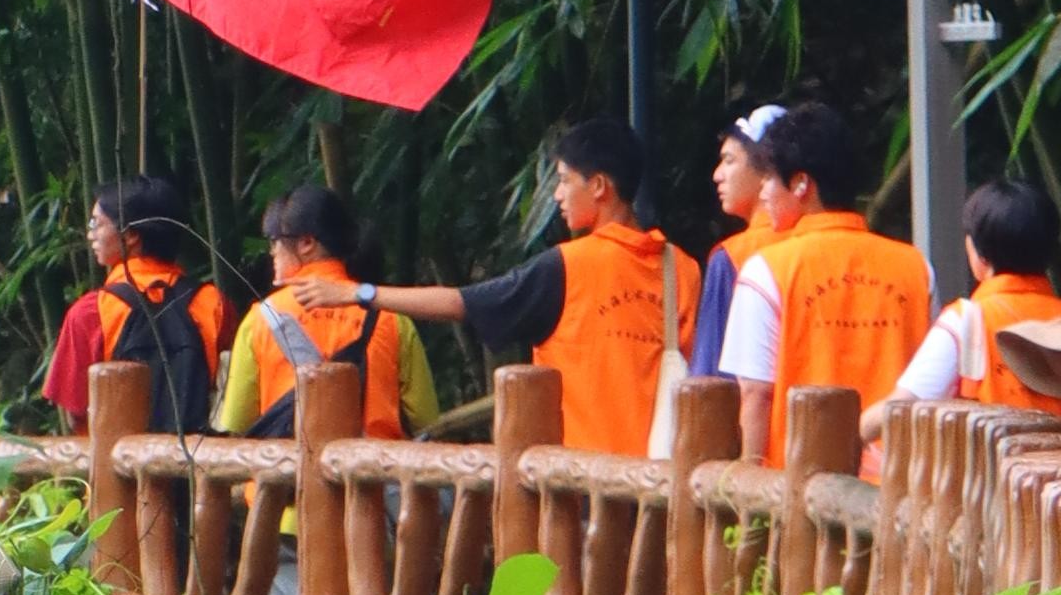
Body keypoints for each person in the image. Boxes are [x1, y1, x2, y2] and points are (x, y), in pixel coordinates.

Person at [291, 119, 690, 458]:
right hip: (661, 480)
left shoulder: (568, 266)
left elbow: (460, 302)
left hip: (582, 486)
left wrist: (359, 293)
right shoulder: (682, 268)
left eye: (564, 180)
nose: (556, 194)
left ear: (599, 186)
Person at [715, 102, 934, 461]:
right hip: (898, 478)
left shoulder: (766, 270)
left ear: (801, 184)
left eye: (769, 179)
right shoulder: (916, 267)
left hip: (799, 476)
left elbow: (756, 393)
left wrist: (746, 482)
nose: (764, 193)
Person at [214, 186, 436, 440]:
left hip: (285, 464)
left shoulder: (260, 320)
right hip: (372, 465)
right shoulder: (391, 319)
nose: (272, 251)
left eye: (275, 241)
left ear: (307, 243)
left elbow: (237, 422)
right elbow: (425, 418)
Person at [876, 177, 1061, 428]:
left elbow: (903, 406)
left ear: (979, 254)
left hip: (995, 453)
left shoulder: (966, 321)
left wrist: (859, 429)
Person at [38, 175, 230, 430]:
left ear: (130, 236)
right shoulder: (213, 302)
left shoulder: (91, 311)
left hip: (114, 452)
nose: (90, 234)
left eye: (96, 223)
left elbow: (75, 412)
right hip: (195, 452)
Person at [685, 105, 790, 382]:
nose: (717, 174)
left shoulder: (732, 257)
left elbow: (709, 378)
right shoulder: (829, 249)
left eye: (729, 161)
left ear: (766, 170)